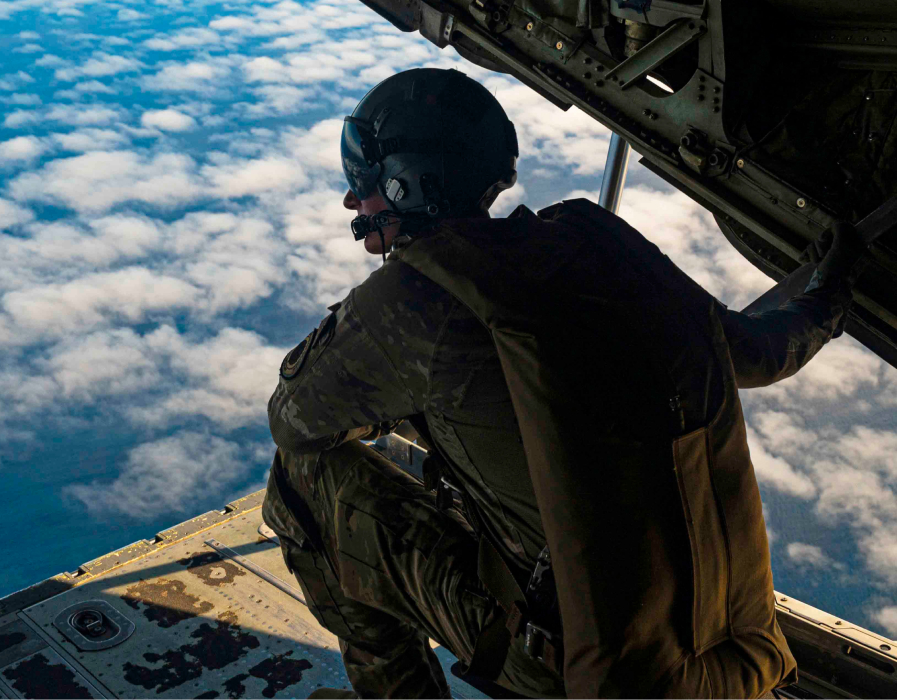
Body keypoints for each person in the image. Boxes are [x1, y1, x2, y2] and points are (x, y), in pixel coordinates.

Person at [262, 67, 863, 699]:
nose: (354, 202)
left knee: (302, 482)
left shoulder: (415, 300)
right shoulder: (594, 244)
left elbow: (293, 420)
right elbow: (759, 353)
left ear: (409, 182)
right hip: (706, 658)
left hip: (564, 667)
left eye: (364, 182)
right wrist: (829, 293)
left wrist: (390, 397)